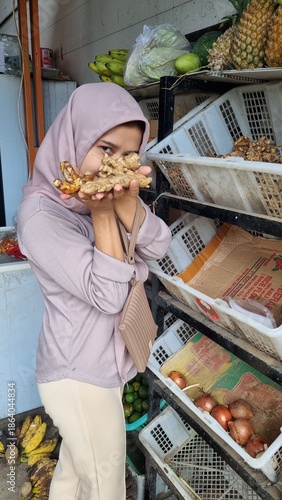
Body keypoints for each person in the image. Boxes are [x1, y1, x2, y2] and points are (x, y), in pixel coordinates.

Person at [17, 82, 171, 500]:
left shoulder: (103, 200)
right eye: (105, 148)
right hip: (78, 377)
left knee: (73, 474)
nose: (114, 164)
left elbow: (159, 245)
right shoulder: (41, 216)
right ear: (74, 139)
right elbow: (108, 296)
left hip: (103, 366)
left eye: (127, 154)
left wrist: (126, 207)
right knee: (106, 487)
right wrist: (105, 215)